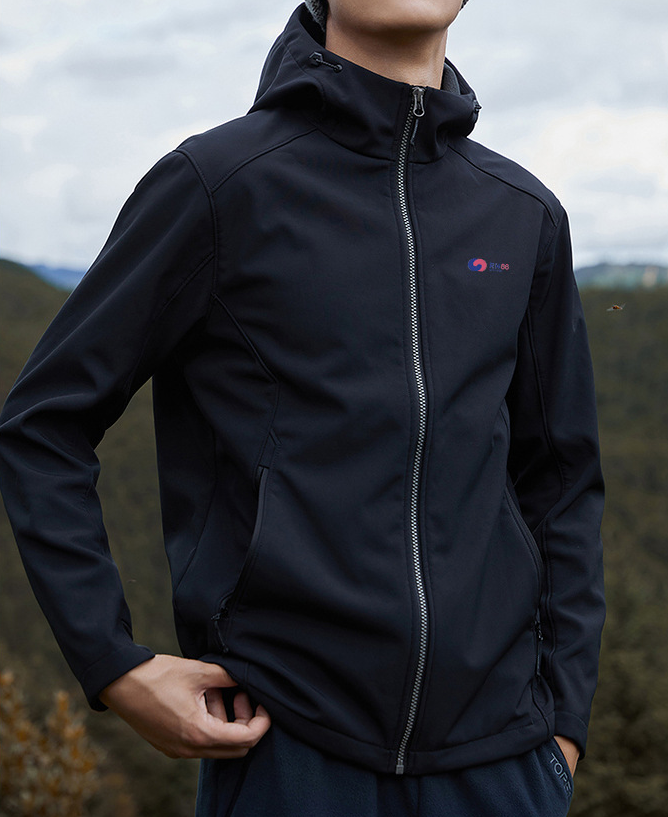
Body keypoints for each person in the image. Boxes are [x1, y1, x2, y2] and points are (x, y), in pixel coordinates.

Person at [0, 1, 605, 815]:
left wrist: (562, 729)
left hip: (502, 761)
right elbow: (44, 423)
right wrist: (113, 662)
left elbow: (561, 481)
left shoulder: (523, 213)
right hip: (288, 751)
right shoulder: (219, 185)